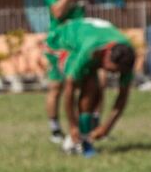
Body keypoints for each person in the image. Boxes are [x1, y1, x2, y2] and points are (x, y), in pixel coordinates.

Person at [48, 17, 136, 157]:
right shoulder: (90, 49)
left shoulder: (127, 56)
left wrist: (107, 128)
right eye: (111, 70)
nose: (113, 74)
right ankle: (78, 139)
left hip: (87, 37)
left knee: (93, 87)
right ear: (107, 55)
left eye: (116, 72)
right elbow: (69, 88)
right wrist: (72, 125)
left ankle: (83, 139)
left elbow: (123, 95)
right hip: (63, 40)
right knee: (89, 84)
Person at [43, 0, 92, 145]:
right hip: (59, 42)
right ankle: (55, 129)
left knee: (87, 83)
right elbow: (58, 12)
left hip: (79, 41)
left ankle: (85, 126)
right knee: (57, 86)